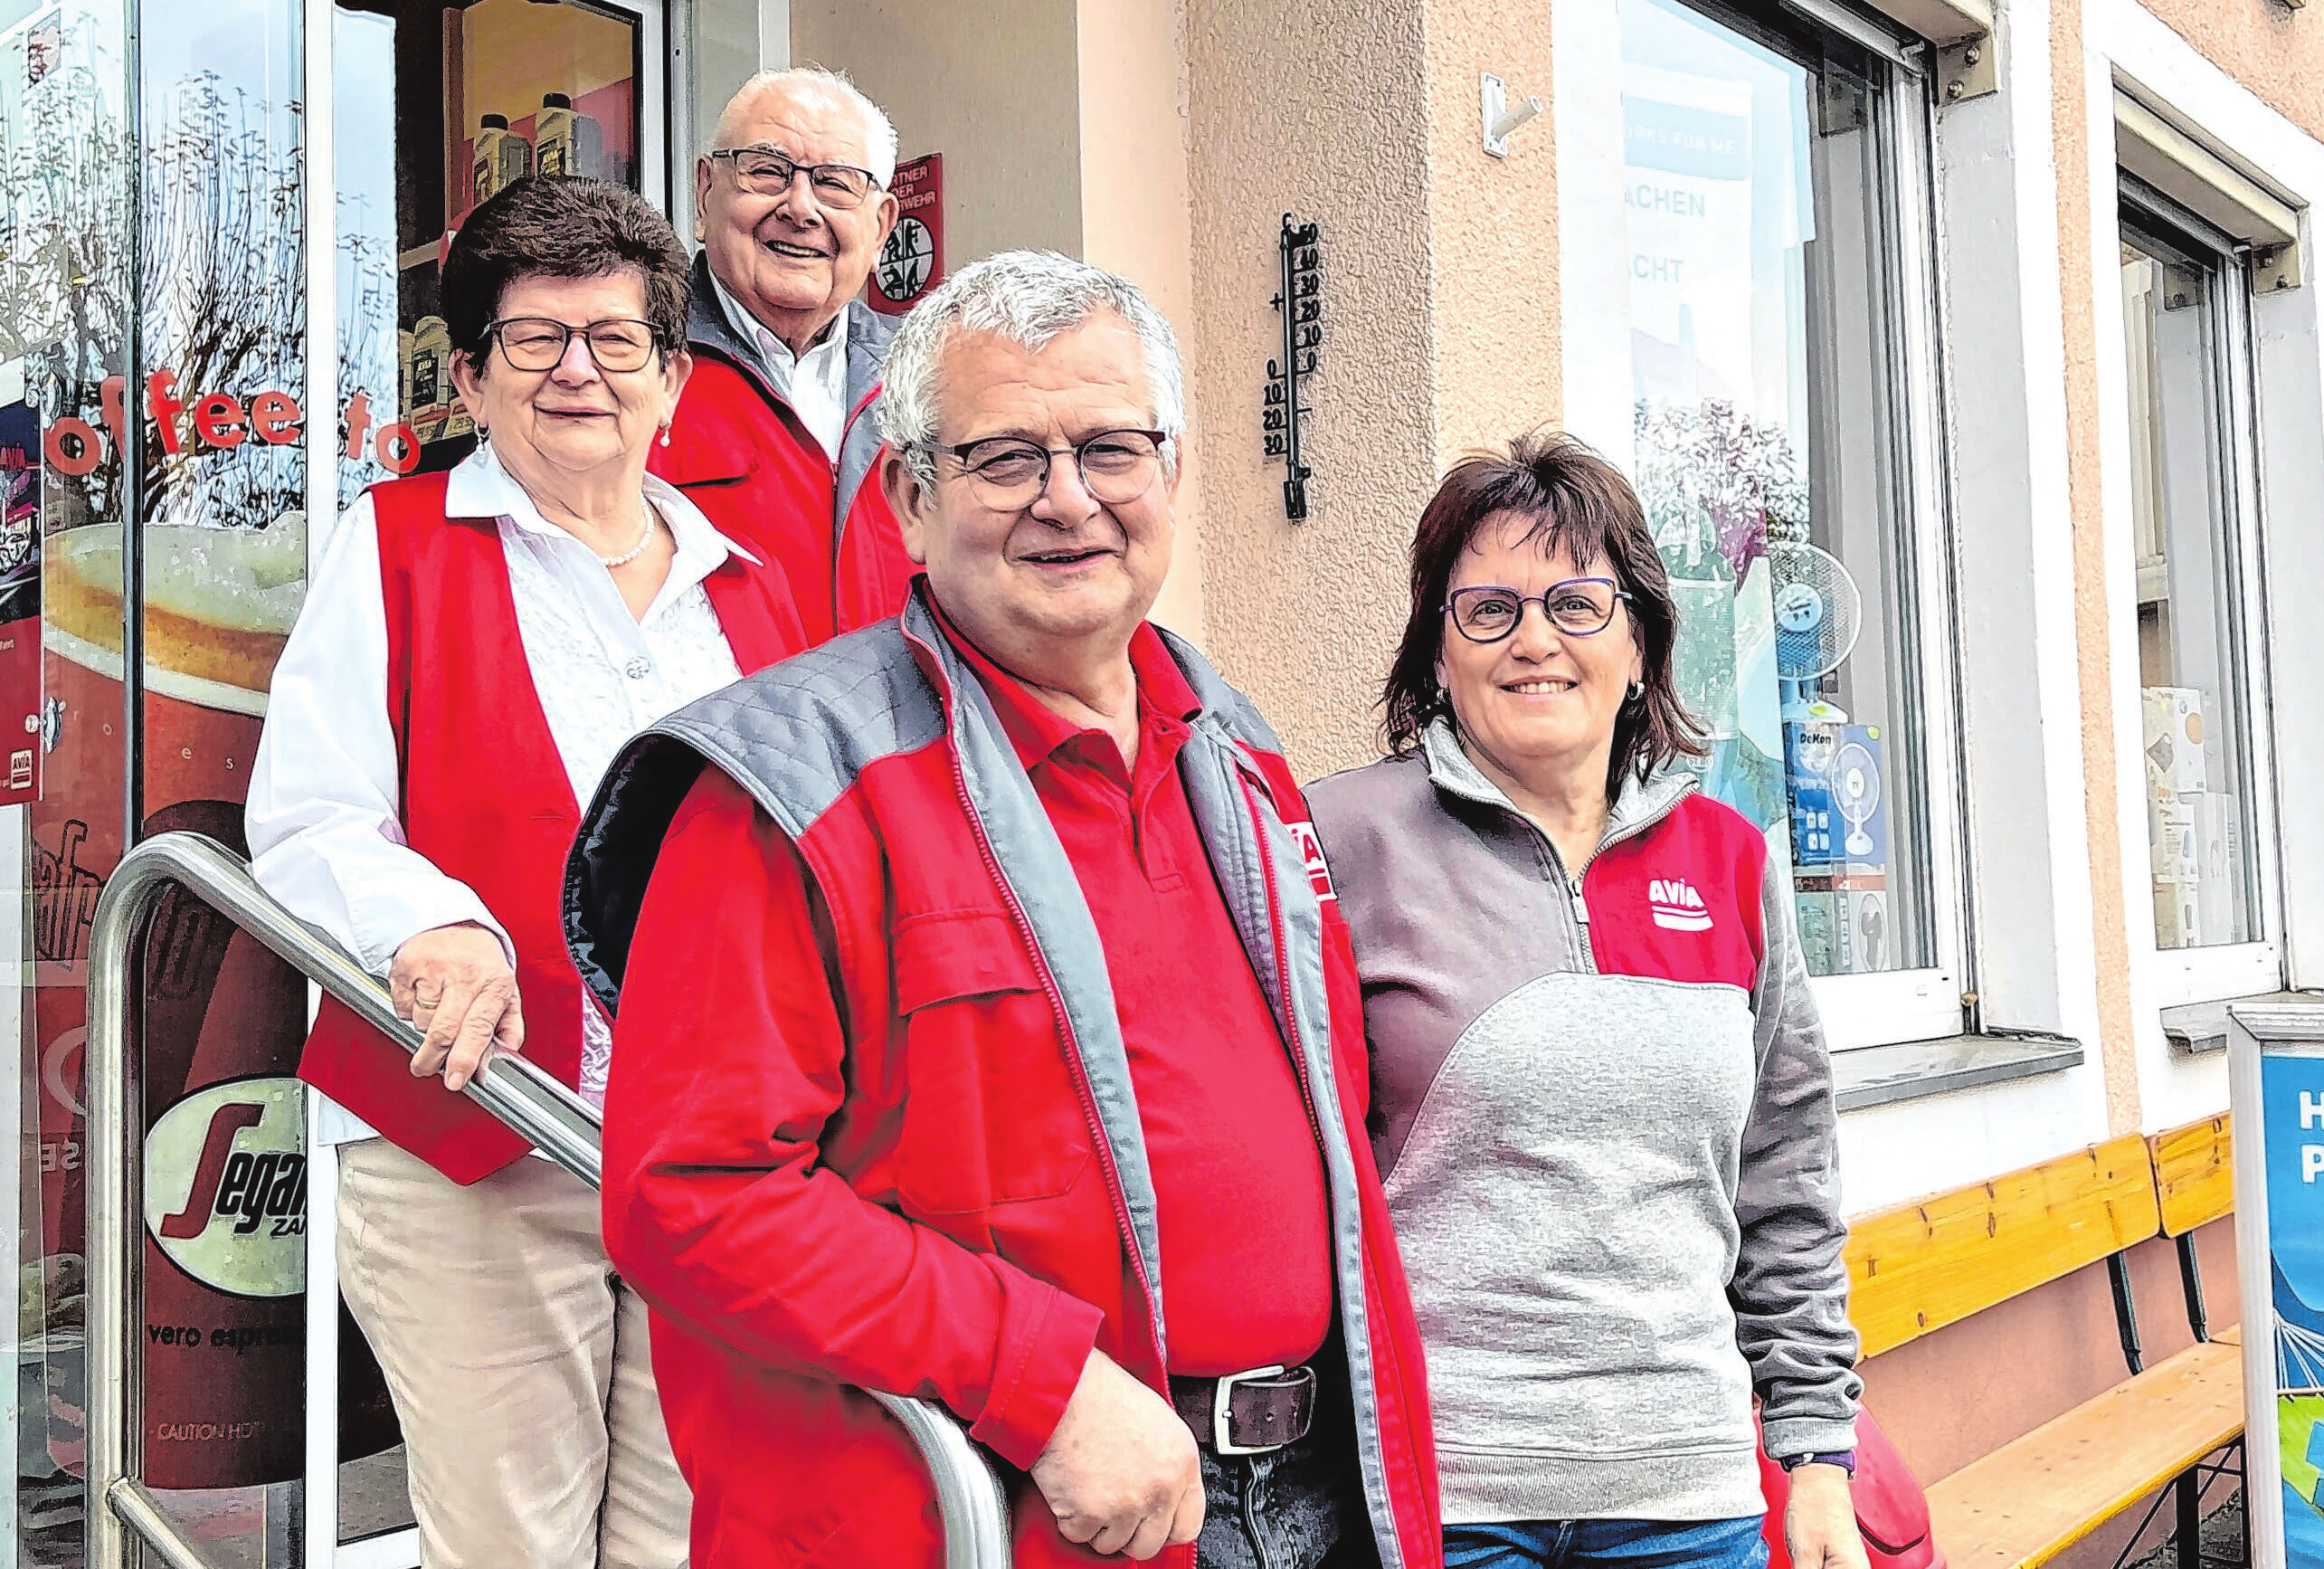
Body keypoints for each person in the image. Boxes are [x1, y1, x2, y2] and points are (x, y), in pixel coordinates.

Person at [564, 251, 1442, 1569]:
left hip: (1306, 1500)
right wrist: (1046, 1381)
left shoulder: (1240, 753)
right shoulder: (789, 787)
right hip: (994, 1506)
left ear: (1173, 475)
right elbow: (691, 1193)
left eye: (1110, 447)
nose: (1069, 499)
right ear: (911, 500)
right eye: (1005, 458)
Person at [247, 176, 806, 1569]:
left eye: (616, 340)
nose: (578, 371)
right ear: (472, 379)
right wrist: (436, 919)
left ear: (671, 380)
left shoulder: (755, 589)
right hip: (477, 1141)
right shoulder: (390, 545)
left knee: (694, 1537)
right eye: (534, 338)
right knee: (513, 1548)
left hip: (709, 1156)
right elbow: (308, 817)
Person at [1304, 433, 1865, 1569]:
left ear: (1640, 641)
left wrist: (1815, 1457)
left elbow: (1786, 1183)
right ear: (1437, 652)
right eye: (1489, 611)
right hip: (1442, 1497)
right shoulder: (1338, 841)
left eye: (1575, 602)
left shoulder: (1732, 860)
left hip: (1688, 1497)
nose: (1534, 642)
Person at [652, 65, 915, 643]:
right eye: (766, 172)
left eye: (836, 183)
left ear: (880, 225)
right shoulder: (631, 363)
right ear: (704, 193)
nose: (801, 208)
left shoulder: (928, 377)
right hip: (712, 730)